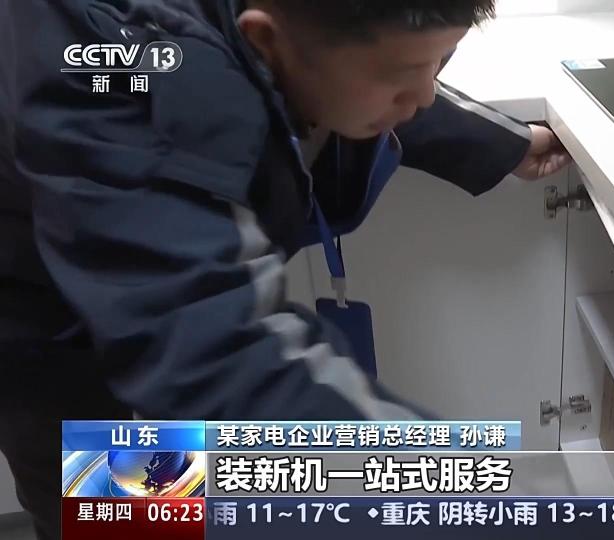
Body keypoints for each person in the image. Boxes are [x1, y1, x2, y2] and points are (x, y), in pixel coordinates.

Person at [0, 1, 572, 538]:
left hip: (152, 291)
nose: (422, 97)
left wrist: (506, 143)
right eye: (406, 74)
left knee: (170, 488)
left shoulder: (310, 36)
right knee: (111, 507)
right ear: (265, 40)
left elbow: (369, 58)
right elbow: (216, 349)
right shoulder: (117, 64)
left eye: (439, 62)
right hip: (49, 318)